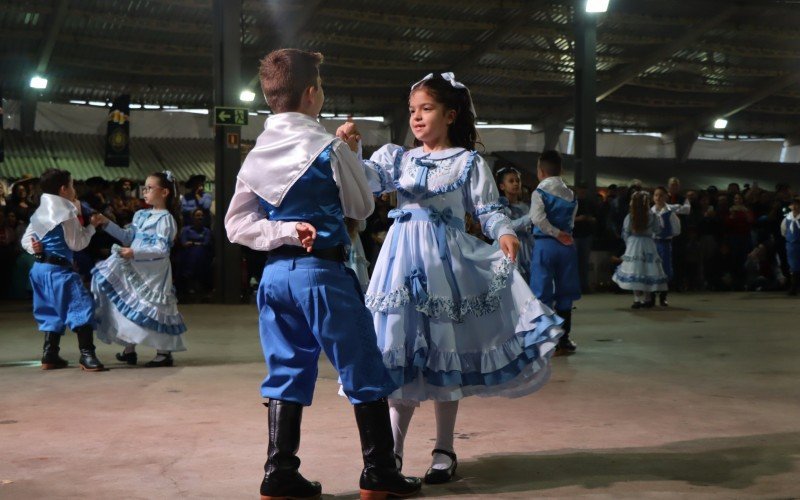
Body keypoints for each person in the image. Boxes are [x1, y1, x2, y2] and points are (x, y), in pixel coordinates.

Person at [339, 72, 563, 485]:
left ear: (450, 114)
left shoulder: (468, 162)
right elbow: (364, 183)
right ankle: (391, 455)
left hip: (446, 268)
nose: (417, 118)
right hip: (400, 265)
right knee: (398, 354)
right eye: (412, 111)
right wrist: (351, 150)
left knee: (445, 353)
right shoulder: (398, 158)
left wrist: (507, 232)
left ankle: (444, 449)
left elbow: (489, 209)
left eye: (426, 109)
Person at [224, 48, 420, 500]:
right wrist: (351, 152)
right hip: (323, 277)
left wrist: (286, 229)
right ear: (312, 94)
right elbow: (362, 207)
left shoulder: (255, 155)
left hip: (274, 279)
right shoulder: (327, 147)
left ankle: (279, 474)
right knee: (362, 368)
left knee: (286, 371)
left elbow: (238, 226)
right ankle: (378, 472)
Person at [90, 171, 187, 367]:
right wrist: (106, 223)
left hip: (154, 271)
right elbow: (128, 237)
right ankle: (129, 348)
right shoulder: (141, 214)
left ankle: (163, 352)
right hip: (135, 266)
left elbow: (161, 249)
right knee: (128, 304)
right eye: (144, 187)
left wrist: (134, 252)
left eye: (150, 188)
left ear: (165, 192)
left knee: (153, 307)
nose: (145, 191)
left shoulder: (166, 219)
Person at [20, 168, 106, 371]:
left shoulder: (40, 211)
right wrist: (92, 227)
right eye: (72, 184)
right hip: (59, 271)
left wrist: (35, 250)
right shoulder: (65, 212)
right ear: (63, 189)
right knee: (81, 306)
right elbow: (77, 244)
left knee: (50, 311)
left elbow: (26, 239)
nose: (74, 189)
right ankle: (87, 355)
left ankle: (49, 354)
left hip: (40, 270)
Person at [529, 150, 581, 354]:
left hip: (545, 245)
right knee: (565, 292)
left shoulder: (539, 193)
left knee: (541, 292)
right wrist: (563, 234)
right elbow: (571, 221)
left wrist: (555, 233)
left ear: (541, 171)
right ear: (561, 169)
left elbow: (537, 219)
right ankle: (564, 339)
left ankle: (543, 340)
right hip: (567, 246)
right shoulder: (571, 194)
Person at [612, 191, 668, 308]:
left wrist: (629, 244)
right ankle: (647, 299)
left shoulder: (630, 216)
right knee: (647, 270)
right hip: (648, 243)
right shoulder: (652, 216)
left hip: (634, 243)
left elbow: (625, 232)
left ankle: (637, 299)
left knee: (635, 270)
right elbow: (657, 230)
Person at [495, 165, 534, 282]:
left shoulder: (525, 206)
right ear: (502, 186)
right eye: (511, 181)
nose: (516, 184)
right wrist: (529, 217)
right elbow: (507, 226)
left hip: (526, 246)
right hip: (508, 244)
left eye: (518, 180)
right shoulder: (500, 206)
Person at [651, 187, 681, 306]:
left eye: (661, 195)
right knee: (652, 270)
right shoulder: (650, 212)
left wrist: (667, 232)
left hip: (664, 244)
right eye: (656, 195)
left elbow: (677, 229)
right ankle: (651, 296)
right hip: (653, 244)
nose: (658, 198)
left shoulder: (670, 212)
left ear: (666, 197)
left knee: (664, 269)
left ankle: (663, 296)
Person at [177, 208, 214, 299]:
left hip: (202, 256)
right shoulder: (186, 230)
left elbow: (206, 243)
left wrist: (192, 243)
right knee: (195, 253)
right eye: (197, 215)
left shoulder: (206, 231)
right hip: (187, 255)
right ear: (192, 217)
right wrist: (197, 243)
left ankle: (191, 279)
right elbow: (184, 243)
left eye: (201, 216)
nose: (200, 217)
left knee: (198, 252)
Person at [781, 196, 800, 295]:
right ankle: (794, 287)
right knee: (793, 266)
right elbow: (784, 231)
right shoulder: (787, 218)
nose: (796, 206)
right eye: (794, 204)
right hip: (792, 246)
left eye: (798, 204)